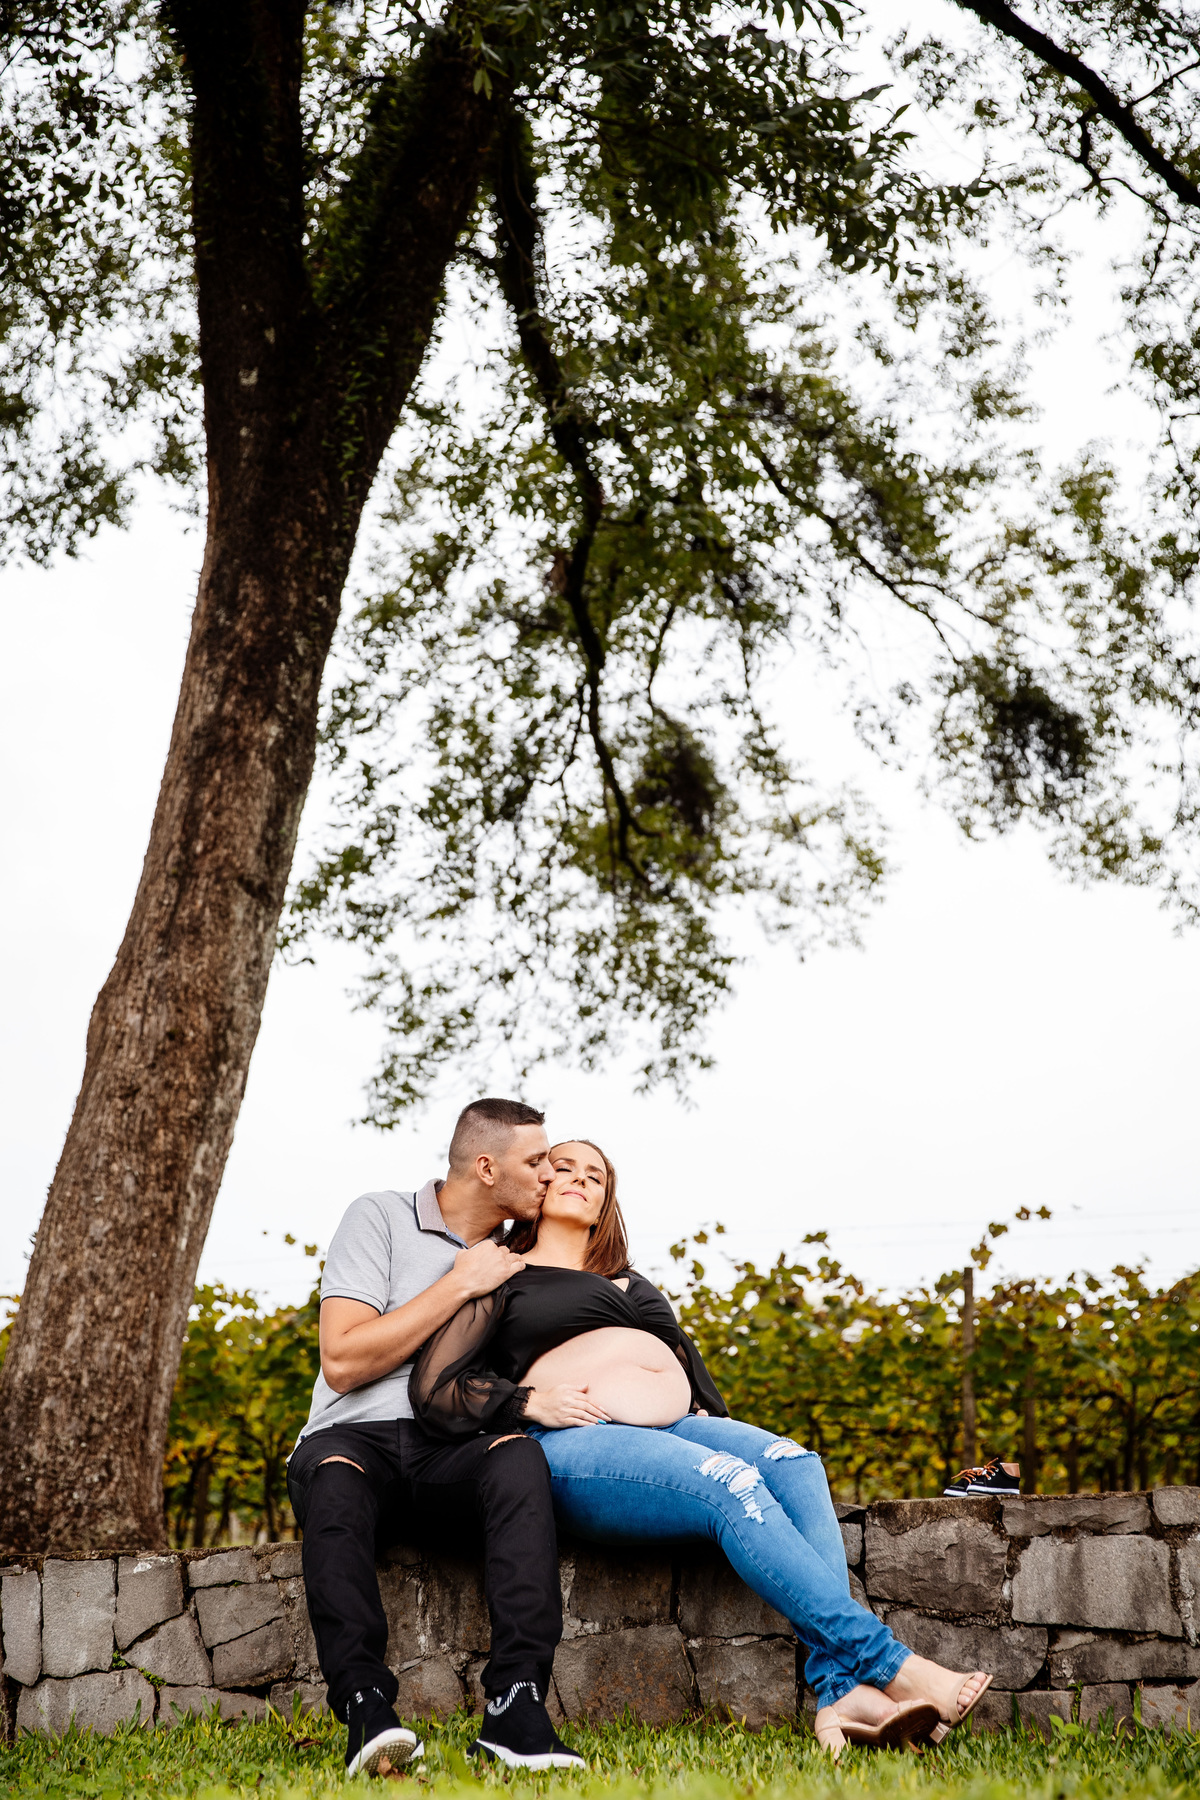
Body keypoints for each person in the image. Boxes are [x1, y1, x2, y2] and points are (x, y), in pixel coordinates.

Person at [410, 1139, 994, 1755]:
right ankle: (893, 1666)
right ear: (538, 1184)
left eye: (597, 1176)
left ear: (608, 1201)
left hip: (664, 1428)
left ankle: (838, 1695)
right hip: (568, 1439)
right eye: (565, 1168)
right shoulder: (503, 1273)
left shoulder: (630, 1284)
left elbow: (687, 1374)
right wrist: (527, 1401)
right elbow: (437, 1386)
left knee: (794, 1464)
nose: (582, 1180)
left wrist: (697, 1416)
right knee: (727, 1484)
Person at [286, 1098, 585, 1775]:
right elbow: (344, 1358)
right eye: (535, 1161)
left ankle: (516, 1707)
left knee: (518, 1462)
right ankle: (365, 1708)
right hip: (351, 1439)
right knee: (334, 1479)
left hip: (448, 1448)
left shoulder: (517, 1258)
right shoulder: (380, 1215)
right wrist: (457, 1286)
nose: (549, 1174)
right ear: (486, 1167)